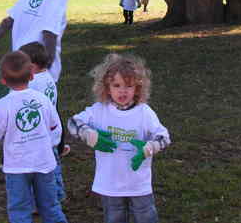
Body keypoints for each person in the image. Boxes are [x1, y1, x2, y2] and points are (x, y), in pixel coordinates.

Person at [67, 53, 170, 223]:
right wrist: (89, 135)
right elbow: (72, 122)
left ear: (138, 88)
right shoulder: (99, 110)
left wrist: (149, 147)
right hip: (110, 183)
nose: (122, 91)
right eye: (116, 85)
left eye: (129, 86)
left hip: (138, 184)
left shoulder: (144, 112)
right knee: (114, 217)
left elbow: (164, 137)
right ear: (107, 87)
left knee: (145, 216)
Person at [0, 51, 68, 223]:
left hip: (17, 167)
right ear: (31, 75)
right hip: (44, 163)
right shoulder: (42, 99)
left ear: (2, 80)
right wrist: (50, 144)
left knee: (19, 210)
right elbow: (55, 125)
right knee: (51, 207)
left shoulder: (3, 105)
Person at [19, 42, 69, 204]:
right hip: (52, 132)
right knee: (53, 164)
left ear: (32, 67)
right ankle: (58, 194)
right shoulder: (48, 77)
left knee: (38, 169)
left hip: (38, 136)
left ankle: (38, 201)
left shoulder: (32, 84)